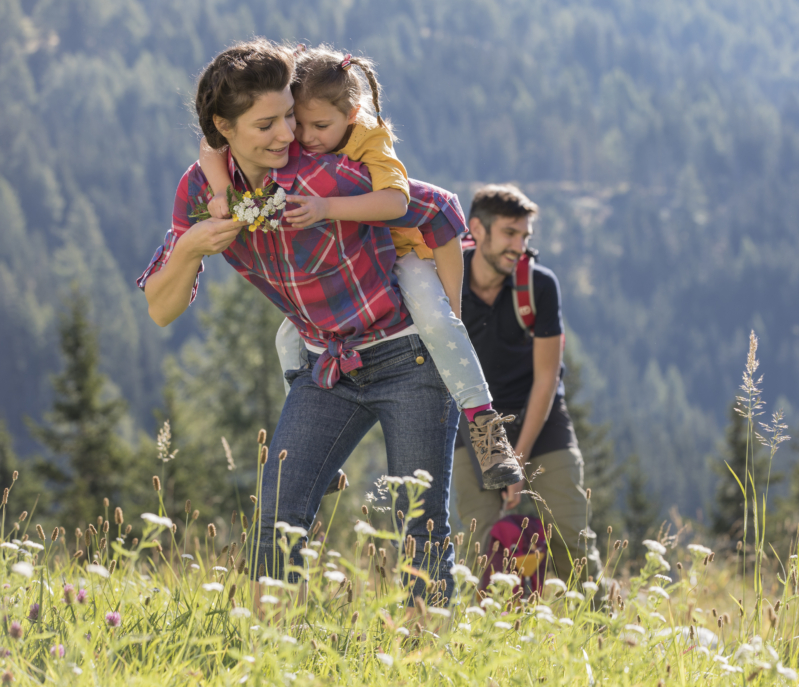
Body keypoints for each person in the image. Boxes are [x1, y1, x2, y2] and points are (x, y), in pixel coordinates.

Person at [139, 38, 465, 600]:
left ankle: (427, 652)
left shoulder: (328, 173)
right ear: (224, 127)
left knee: (420, 523)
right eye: (266, 124)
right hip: (326, 368)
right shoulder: (202, 193)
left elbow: (440, 209)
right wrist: (191, 247)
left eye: (289, 116)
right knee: (277, 515)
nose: (288, 135)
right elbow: (161, 309)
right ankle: (269, 645)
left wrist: (454, 324)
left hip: (408, 356)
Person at [198, 45, 521, 491]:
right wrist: (219, 191)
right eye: (298, 122)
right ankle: (314, 431)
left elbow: (405, 203)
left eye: (320, 126)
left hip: (401, 252)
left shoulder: (370, 138)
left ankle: (485, 425)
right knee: (291, 335)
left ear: (351, 115)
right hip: (356, 263)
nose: (303, 137)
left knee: (436, 320)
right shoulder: (291, 138)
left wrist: (452, 310)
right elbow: (211, 146)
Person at [451, 184, 602, 585]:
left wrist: (516, 459)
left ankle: (601, 639)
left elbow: (547, 377)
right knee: (478, 551)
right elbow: (453, 376)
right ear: (476, 230)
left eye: (524, 236)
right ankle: (485, 642)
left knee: (572, 542)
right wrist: (501, 462)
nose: (518, 246)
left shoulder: (538, 286)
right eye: (508, 234)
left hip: (542, 419)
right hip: (473, 421)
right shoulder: (449, 282)